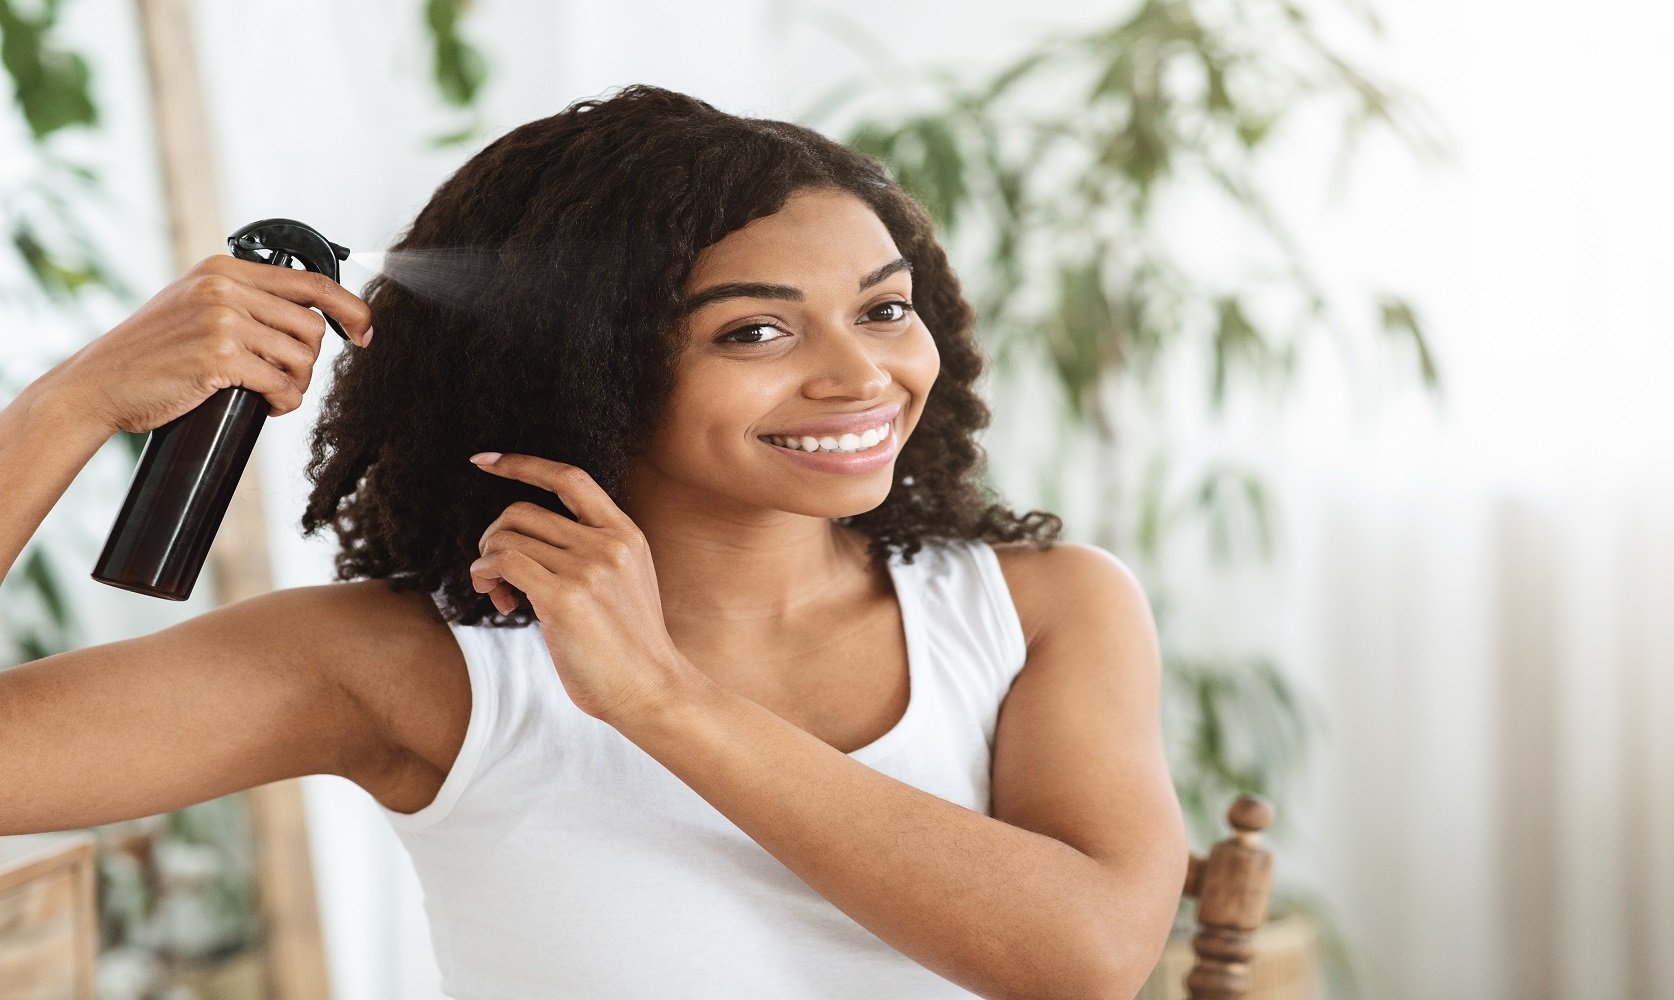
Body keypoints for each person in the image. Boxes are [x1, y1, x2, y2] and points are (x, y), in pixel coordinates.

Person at [0, 83, 1187, 999]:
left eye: (884, 307)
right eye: (757, 332)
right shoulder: (414, 669)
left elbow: (1082, 958)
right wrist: (69, 406)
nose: (862, 374)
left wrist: (662, 699)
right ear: (586, 368)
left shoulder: (1039, 606)